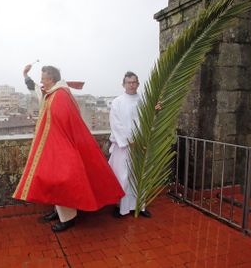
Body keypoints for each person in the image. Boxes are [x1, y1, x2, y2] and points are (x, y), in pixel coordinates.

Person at [13, 64, 125, 232]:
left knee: (62, 180)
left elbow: (66, 123)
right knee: (53, 180)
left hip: (63, 146)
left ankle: (68, 219)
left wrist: (62, 146)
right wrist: (25, 76)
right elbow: (38, 93)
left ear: (51, 79)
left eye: (43, 79)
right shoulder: (53, 93)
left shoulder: (61, 95)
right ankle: (58, 211)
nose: (42, 82)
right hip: (54, 146)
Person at [108, 71, 152, 218]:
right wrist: (129, 140)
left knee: (139, 176)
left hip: (141, 146)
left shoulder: (145, 101)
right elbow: (116, 124)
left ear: (138, 84)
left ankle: (140, 206)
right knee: (122, 177)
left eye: (134, 82)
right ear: (123, 84)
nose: (131, 85)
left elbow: (148, 121)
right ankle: (121, 207)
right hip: (124, 147)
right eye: (129, 82)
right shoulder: (117, 102)